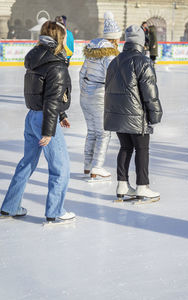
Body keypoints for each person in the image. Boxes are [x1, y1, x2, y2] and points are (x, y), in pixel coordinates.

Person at [0, 21, 75, 223]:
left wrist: (62, 115)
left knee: (27, 163)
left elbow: (42, 95)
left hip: (32, 117)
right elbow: (51, 101)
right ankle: (55, 211)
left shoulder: (35, 58)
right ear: (60, 38)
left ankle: (10, 206)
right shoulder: (57, 65)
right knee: (60, 168)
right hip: (44, 120)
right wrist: (49, 130)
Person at [104, 24, 163, 201]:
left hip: (116, 115)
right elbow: (150, 93)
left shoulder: (115, 61)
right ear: (141, 43)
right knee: (142, 149)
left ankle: (122, 184)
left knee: (125, 147)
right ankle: (142, 186)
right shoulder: (143, 62)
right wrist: (155, 114)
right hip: (137, 116)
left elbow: (107, 89)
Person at [79, 11, 121, 180]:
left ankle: (87, 166)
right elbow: (111, 77)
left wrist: (85, 91)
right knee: (103, 133)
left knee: (91, 132)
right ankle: (97, 166)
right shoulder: (110, 53)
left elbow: (82, 73)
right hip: (99, 96)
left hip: (85, 96)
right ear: (115, 39)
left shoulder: (92, 50)